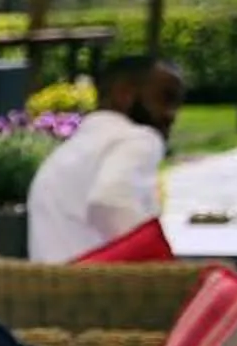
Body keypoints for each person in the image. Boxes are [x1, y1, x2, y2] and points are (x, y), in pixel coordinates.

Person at [26, 54, 184, 262]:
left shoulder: (67, 152)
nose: (171, 114)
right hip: (101, 287)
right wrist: (162, 267)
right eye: (166, 98)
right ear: (123, 93)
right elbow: (111, 202)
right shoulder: (138, 138)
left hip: (50, 286)